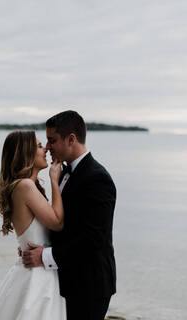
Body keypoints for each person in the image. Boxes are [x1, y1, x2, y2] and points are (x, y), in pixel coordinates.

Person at [22, 110, 117, 320]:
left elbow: (93, 240)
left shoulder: (98, 179)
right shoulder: (62, 172)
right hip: (64, 279)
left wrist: (45, 256)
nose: (47, 147)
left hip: (89, 285)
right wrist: (35, 245)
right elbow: (62, 226)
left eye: (52, 140)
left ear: (71, 139)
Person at [0, 130, 67, 320]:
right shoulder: (25, 186)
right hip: (37, 277)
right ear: (25, 152)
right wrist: (55, 181)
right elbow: (57, 222)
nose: (45, 148)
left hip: (36, 269)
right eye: (38, 146)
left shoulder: (27, 186)